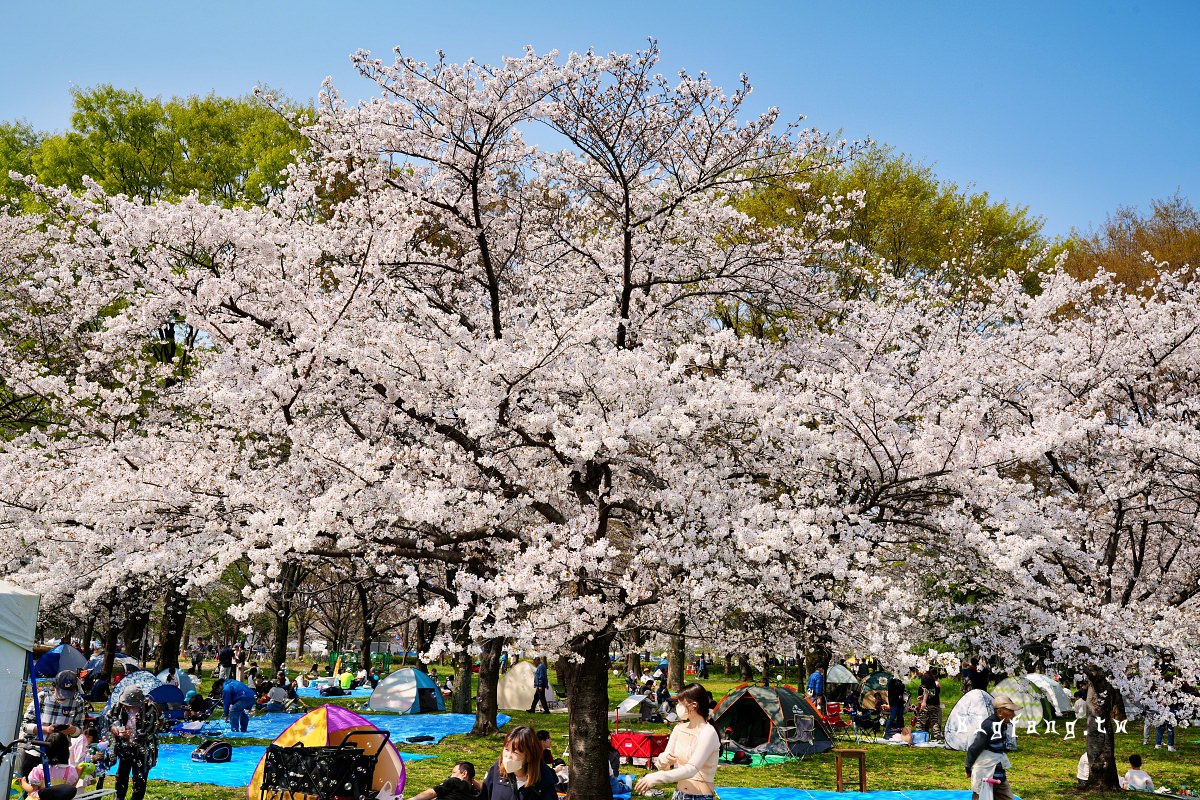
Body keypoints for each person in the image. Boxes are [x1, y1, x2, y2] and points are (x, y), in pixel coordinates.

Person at [635, 683, 720, 799]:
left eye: (680, 703)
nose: (677, 706)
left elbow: (691, 769)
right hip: (679, 794)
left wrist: (655, 777)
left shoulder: (708, 733)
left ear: (693, 705)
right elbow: (662, 765)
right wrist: (664, 759)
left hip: (700, 796)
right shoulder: (679, 729)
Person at [17, 669, 87, 779]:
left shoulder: (78, 702)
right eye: (61, 692)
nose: (64, 697)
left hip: (59, 757)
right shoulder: (42, 697)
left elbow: (79, 730)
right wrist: (46, 729)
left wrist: (71, 730)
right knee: (31, 789)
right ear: (55, 685)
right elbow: (25, 726)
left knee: (54, 789)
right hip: (35, 750)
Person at [107, 687, 161, 800]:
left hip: (144, 747)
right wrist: (114, 728)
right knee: (121, 775)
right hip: (124, 747)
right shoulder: (119, 706)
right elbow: (110, 718)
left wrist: (131, 735)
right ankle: (118, 798)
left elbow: (150, 730)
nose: (126, 706)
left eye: (129, 705)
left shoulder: (150, 708)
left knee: (140, 778)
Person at [478, 725, 556, 800]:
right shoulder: (496, 770)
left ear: (529, 756)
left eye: (515, 752)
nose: (508, 756)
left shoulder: (544, 779)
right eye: (506, 749)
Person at [965, 694, 1018, 800]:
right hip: (985, 773)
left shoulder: (1003, 725)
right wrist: (968, 766)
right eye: (1011, 711)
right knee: (980, 796)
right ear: (1001, 712)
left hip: (999, 776)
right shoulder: (988, 726)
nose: (1014, 715)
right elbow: (975, 747)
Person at [20, 732, 78, 799]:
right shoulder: (70, 771)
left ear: (46, 750)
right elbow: (68, 789)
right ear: (66, 750)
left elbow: (32, 789)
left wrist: (23, 783)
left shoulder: (39, 770)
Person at [409, 761, 481, 800]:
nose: (451, 776)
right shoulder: (476, 794)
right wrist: (471, 780)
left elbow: (431, 793)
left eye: (454, 772)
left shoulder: (454, 781)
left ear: (464, 773)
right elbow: (484, 787)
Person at [915, 669, 943, 741]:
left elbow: (926, 691)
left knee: (921, 720)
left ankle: (918, 736)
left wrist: (923, 701)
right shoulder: (931, 677)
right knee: (934, 721)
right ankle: (938, 737)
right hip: (935, 702)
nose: (917, 673)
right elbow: (931, 691)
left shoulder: (925, 677)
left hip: (928, 703)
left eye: (917, 671)